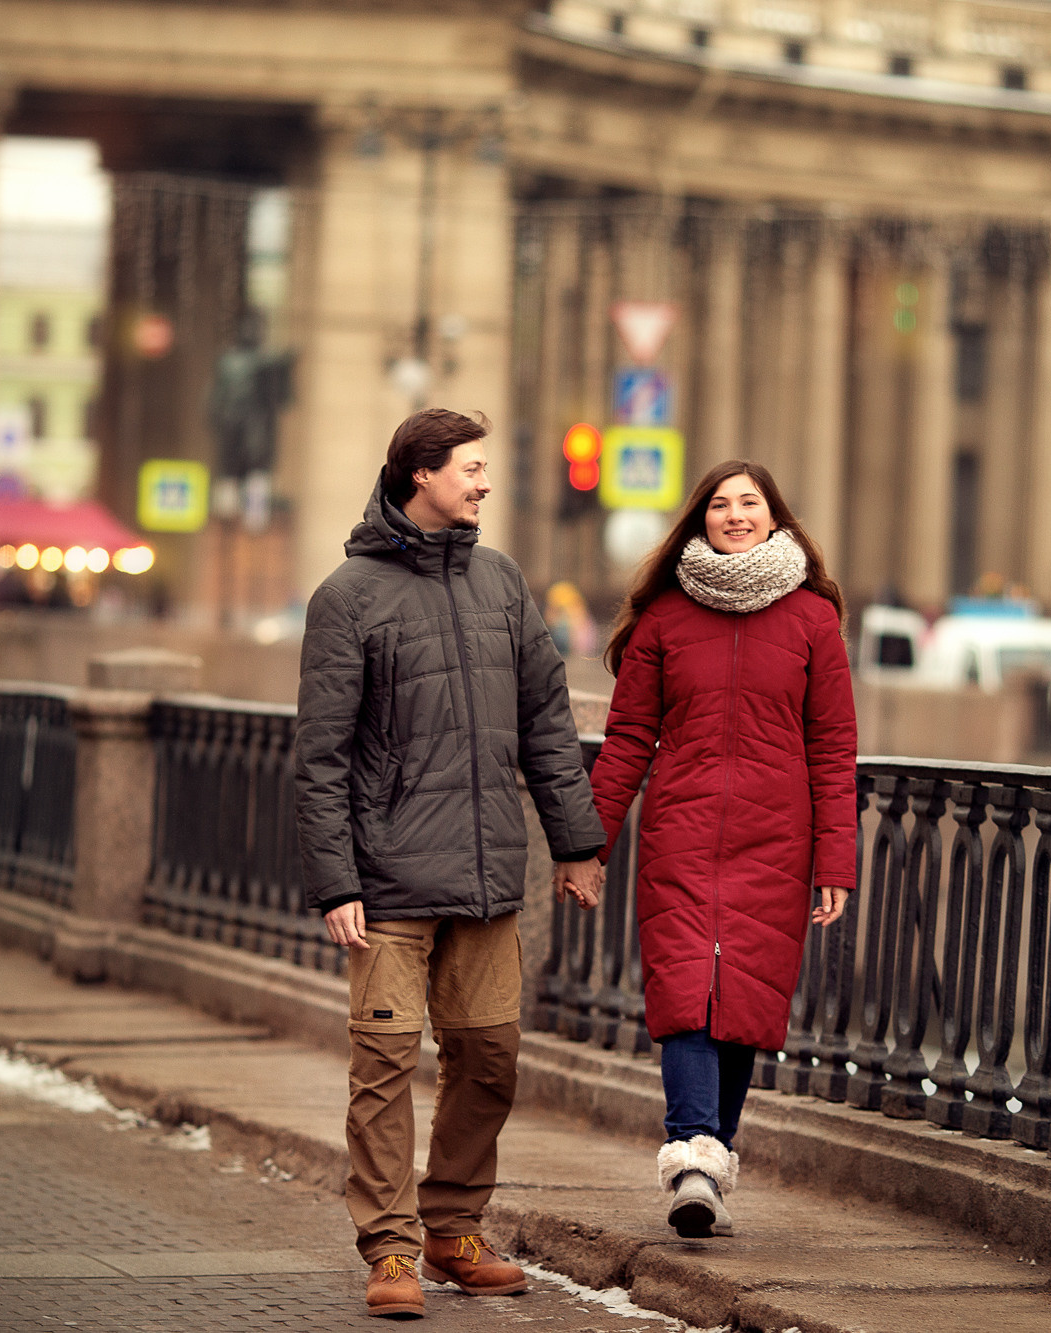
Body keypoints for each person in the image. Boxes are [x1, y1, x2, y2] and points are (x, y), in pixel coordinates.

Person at [296, 407, 607, 1320]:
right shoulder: (347, 596)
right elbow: (321, 755)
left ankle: (454, 1228)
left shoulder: (501, 582)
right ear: (420, 474)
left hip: (485, 875)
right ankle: (391, 1249)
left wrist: (576, 843)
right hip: (388, 882)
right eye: (471, 468)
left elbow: (547, 722)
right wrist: (336, 880)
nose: (483, 483)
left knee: (490, 1058)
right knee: (384, 1066)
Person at [585, 460, 858, 1239]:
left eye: (749, 502)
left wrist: (835, 861)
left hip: (776, 842)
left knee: (744, 1002)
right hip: (680, 834)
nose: (734, 514)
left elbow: (833, 749)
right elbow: (628, 739)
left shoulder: (813, 620)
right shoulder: (664, 619)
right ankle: (693, 1166)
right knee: (686, 996)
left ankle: (711, 1159)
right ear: (699, 518)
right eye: (719, 504)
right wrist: (587, 845)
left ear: (775, 517)